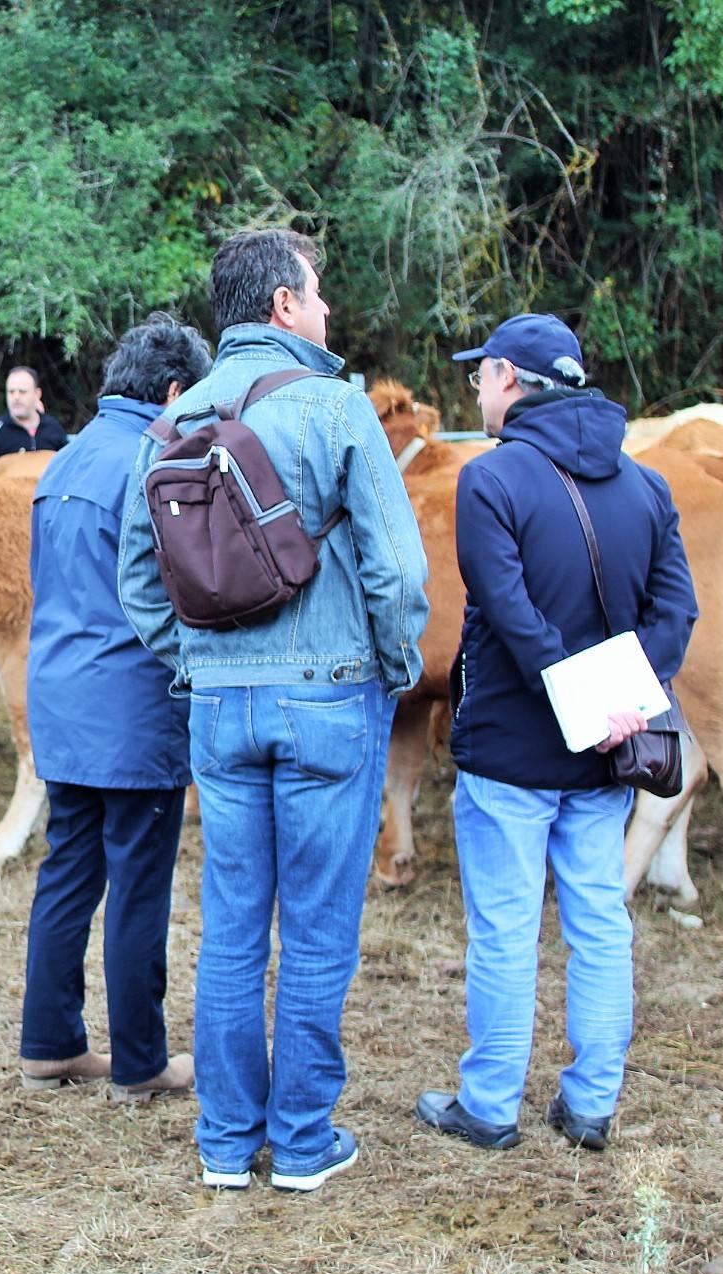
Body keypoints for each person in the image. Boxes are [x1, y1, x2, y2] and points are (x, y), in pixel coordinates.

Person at [117, 229, 429, 1192]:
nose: (327, 308)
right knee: (320, 927)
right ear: (285, 307)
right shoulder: (336, 406)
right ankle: (300, 1142)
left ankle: (222, 1144)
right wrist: (393, 662)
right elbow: (400, 566)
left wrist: (200, 661)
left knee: (232, 924)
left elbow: (137, 579)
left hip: (221, 706)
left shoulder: (167, 425)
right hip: (331, 696)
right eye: (319, 292)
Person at [416, 314, 696, 1152]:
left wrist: (580, 698)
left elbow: (510, 613)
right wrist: (620, 704)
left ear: (509, 377)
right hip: (610, 751)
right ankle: (591, 1104)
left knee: (505, 927)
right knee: (601, 920)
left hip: (512, 743)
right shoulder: (647, 486)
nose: (475, 390)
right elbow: (677, 613)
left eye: (480, 375)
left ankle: (492, 1105)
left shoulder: (490, 481)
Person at [19, 313, 214, 1103]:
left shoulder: (59, 464)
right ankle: (140, 1060)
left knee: (68, 871)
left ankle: (49, 1043)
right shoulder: (152, 463)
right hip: (131, 703)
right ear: (173, 391)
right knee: (139, 882)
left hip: (61, 697)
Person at [0, 366, 68, 479]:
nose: (16, 397)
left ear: (37, 394)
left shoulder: (53, 429)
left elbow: (68, 471)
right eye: (11, 392)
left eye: (22, 392)